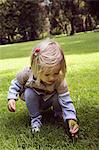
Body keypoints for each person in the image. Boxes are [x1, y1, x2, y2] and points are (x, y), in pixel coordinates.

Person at [7, 38, 79, 137]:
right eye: (47, 74)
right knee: (29, 92)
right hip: (35, 100)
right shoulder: (27, 74)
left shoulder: (59, 80)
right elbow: (16, 84)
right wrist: (11, 98)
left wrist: (71, 118)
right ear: (35, 68)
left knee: (58, 96)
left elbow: (66, 100)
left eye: (56, 73)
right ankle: (35, 119)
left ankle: (59, 113)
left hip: (50, 99)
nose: (52, 78)